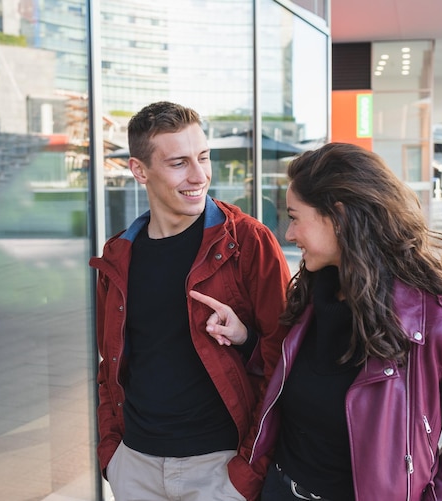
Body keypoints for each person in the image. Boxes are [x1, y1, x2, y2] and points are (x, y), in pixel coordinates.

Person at [196, 143, 442, 501]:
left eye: (294, 217)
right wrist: (246, 338)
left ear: (338, 217)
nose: (289, 234)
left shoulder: (438, 325)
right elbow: (291, 380)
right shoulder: (313, 292)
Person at [89, 101, 291, 501]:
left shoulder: (248, 242)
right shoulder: (118, 256)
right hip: (136, 467)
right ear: (139, 170)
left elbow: (285, 356)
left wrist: (248, 469)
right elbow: (108, 364)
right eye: (179, 163)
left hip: (219, 470)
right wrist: (112, 453)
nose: (199, 176)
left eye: (203, 157)